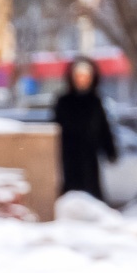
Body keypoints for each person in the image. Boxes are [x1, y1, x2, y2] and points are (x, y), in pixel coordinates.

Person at [54, 57, 118, 202]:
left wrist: (110, 151)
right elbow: (56, 128)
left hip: (90, 156)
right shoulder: (64, 101)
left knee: (92, 192)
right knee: (72, 192)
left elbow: (103, 129)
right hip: (69, 156)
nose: (82, 80)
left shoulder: (95, 102)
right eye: (79, 76)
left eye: (85, 77)